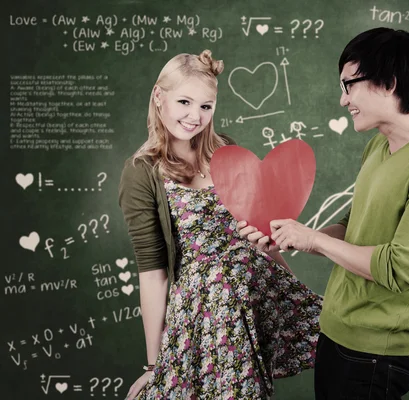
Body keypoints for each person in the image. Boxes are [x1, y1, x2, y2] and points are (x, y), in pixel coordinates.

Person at [238, 28, 409, 399]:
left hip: (375, 354)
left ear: (388, 83)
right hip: (335, 333)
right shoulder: (381, 146)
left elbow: (399, 268)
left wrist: (312, 239)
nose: (342, 99)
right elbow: (354, 226)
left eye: (349, 85)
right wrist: (294, 236)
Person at [118, 50, 322, 400]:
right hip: (204, 306)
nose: (194, 116)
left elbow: (257, 237)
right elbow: (153, 273)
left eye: (205, 106)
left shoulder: (226, 151)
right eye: (184, 101)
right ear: (158, 97)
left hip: (249, 288)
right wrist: (154, 366)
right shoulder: (142, 171)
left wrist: (292, 289)